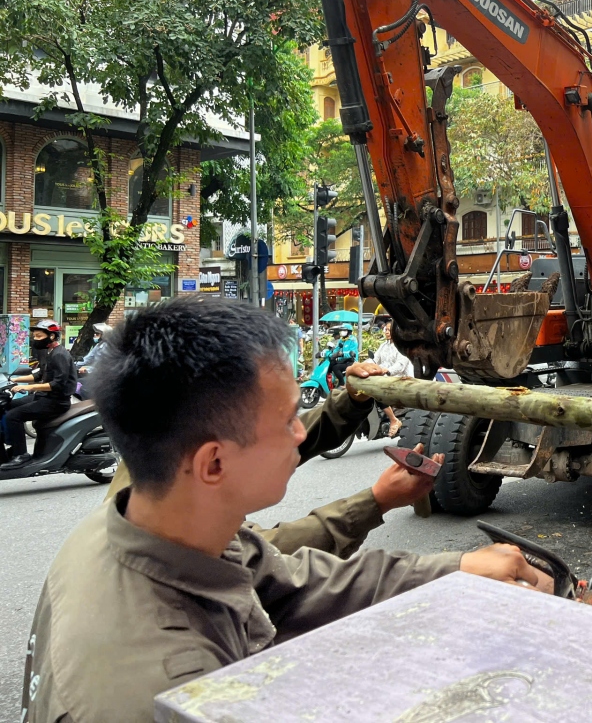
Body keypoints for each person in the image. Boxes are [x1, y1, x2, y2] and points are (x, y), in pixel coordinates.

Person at [22, 297, 552, 723]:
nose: (301, 436)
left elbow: (299, 579)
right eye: (287, 422)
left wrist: (457, 569)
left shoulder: (150, 518)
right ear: (213, 464)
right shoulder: (159, 694)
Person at [0, 320, 77, 468]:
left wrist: (30, 388)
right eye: (34, 336)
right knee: (9, 405)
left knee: (13, 416)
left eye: (39, 336)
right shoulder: (49, 352)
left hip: (56, 402)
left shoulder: (59, 355)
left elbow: (58, 384)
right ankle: (15, 447)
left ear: (52, 336)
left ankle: (21, 454)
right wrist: (13, 379)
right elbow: (40, 374)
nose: (35, 339)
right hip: (44, 396)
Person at [373, 319, 414, 437]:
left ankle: (393, 420)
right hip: (384, 380)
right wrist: (364, 365)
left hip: (400, 381)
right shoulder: (383, 346)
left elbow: (401, 365)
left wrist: (388, 370)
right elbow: (375, 359)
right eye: (386, 329)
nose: (387, 332)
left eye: (390, 330)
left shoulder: (403, 347)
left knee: (378, 395)